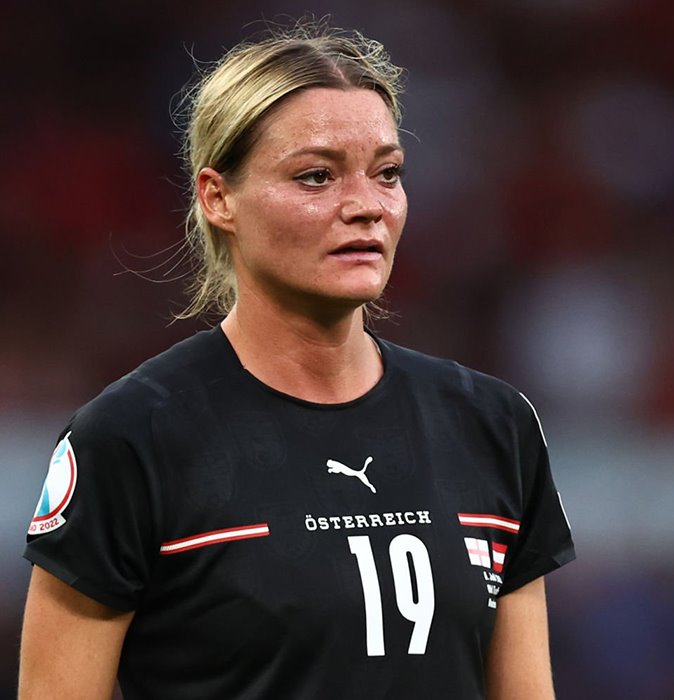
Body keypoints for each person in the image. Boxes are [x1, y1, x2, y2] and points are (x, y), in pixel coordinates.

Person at [19, 21, 575, 700]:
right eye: (317, 176)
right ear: (218, 197)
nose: (366, 206)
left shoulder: (492, 425)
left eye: (388, 174)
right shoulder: (132, 440)